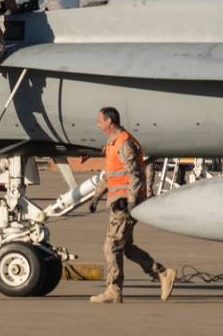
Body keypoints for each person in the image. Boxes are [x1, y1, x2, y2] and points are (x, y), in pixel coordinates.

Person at [88, 107, 176, 304]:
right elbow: (110, 174)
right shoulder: (112, 143)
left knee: (111, 247)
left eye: (100, 121)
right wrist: (96, 197)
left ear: (110, 121)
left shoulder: (124, 143)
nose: (98, 124)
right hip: (117, 202)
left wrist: (131, 202)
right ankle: (162, 273)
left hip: (124, 205)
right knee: (125, 247)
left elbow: (135, 175)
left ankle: (114, 289)